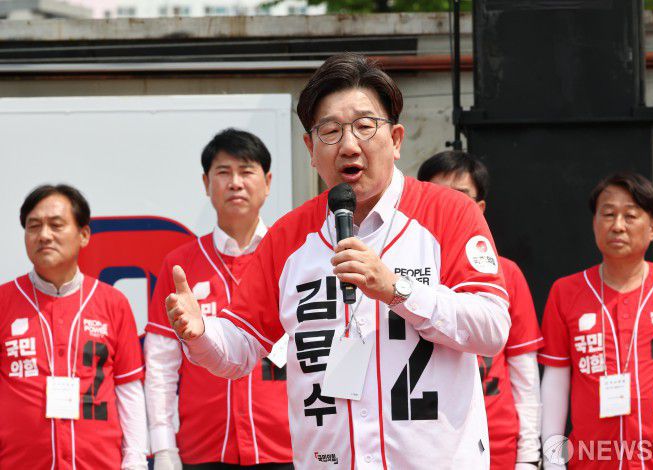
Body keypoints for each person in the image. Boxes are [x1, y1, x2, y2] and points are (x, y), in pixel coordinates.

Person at [166, 53, 511, 469]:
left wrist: (398, 290)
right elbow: (240, 347)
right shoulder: (289, 237)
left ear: (396, 139)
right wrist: (201, 334)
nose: (349, 145)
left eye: (365, 127)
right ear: (311, 149)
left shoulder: (449, 213)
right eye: (330, 131)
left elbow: (492, 328)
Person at [144, 128, 293, 469]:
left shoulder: (294, 256)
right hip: (204, 448)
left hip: (287, 446)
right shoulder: (180, 265)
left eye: (246, 171)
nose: (235, 183)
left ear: (268, 182)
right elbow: (161, 364)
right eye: (224, 172)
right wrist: (164, 447)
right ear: (206, 183)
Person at [538, 173, 653, 469]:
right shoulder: (566, 291)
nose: (618, 226)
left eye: (631, 216)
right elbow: (556, 378)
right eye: (609, 214)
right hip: (592, 460)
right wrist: (553, 460)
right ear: (594, 223)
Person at [0, 184, 147, 469]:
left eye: (56, 225)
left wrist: (135, 461)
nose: (44, 235)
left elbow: (128, 390)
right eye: (33, 226)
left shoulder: (113, 303)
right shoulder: (4, 301)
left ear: (84, 235)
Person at [417, 150, 544, 470]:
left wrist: (529, 455)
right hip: (419, 441)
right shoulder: (394, 273)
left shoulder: (506, 273)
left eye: (460, 196)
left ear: (481, 208)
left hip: (495, 441)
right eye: (437, 194)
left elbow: (523, 371)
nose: (448, 205)